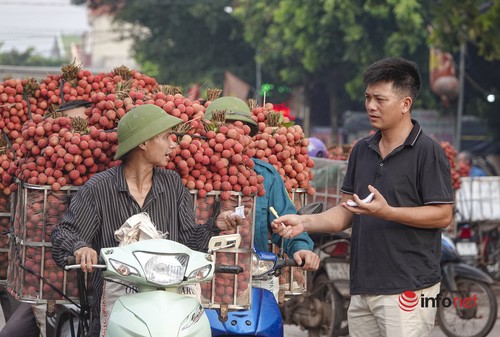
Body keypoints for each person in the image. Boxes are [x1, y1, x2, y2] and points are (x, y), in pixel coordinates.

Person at [272, 57, 454, 337]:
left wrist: (388, 212)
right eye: (368, 97)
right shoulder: (362, 150)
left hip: (408, 289)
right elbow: (346, 212)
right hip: (362, 287)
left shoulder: (427, 152)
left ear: (405, 104)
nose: (371, 106)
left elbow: (443, 214)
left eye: (380, 99)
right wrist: (303, 222)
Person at [50, 104, 241, 337]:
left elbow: (189, 242)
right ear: (143, 143)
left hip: (169, 304)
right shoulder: (100, 188)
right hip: (116, 306)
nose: (173, 144)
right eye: (165, 137)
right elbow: (64, 232)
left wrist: (214, 226)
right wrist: (80, 247)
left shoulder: (172, 185)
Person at [203, 96, 320, 281]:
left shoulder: (265, 176)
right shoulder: (193, 174)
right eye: (225, 127)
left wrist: (302, 248)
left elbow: (286, 223)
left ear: (248, 136)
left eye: (238, 128)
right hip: (199, 275)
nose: (230, 134)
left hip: (251, 277)